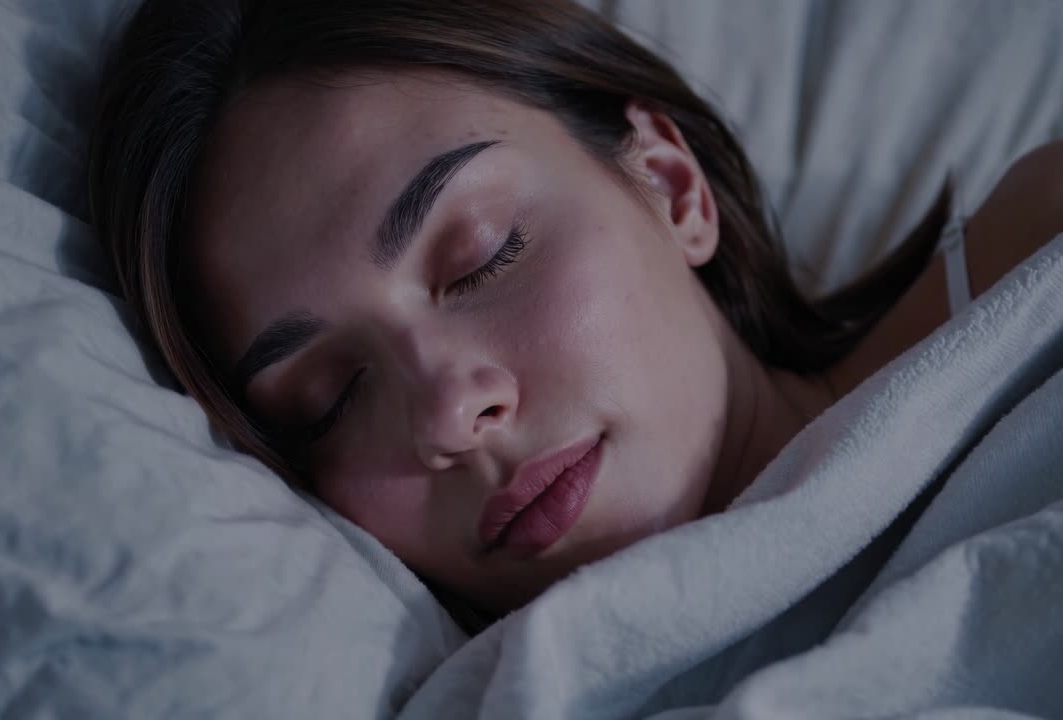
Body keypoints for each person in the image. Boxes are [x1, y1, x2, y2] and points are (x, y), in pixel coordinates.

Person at [87, 0, 1063, 626]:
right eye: (328, 399)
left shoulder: (1036, 259)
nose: (444, 413)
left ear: (671, 186)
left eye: (481, 257)